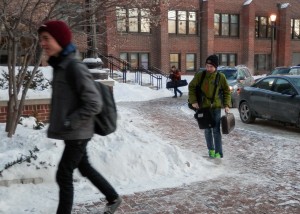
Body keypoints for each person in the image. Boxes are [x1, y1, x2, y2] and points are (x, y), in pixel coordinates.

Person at [38, 20, 121, 214]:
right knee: (84, 168)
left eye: (46, 39)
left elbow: (94, 103)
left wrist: (70, 121)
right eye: (41, 39)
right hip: (74, 132)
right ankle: (113, 197)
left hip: (79, 132)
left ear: (59, 39)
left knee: (63, 174)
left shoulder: (74, 67)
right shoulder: (61, 67)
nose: (42, 43)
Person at [188, 55, 231, 158]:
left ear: (216, 67)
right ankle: (211, 150)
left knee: (216, 130)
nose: (208, 69)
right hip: (204, 107)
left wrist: (226, 104)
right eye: (207, 66)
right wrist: (193, 101)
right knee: (207, 130)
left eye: (211, 66)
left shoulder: (221, 77)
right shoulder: (201, 75)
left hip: (215, 107)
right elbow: (192, 86)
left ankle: (218, 152)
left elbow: (226, 91)